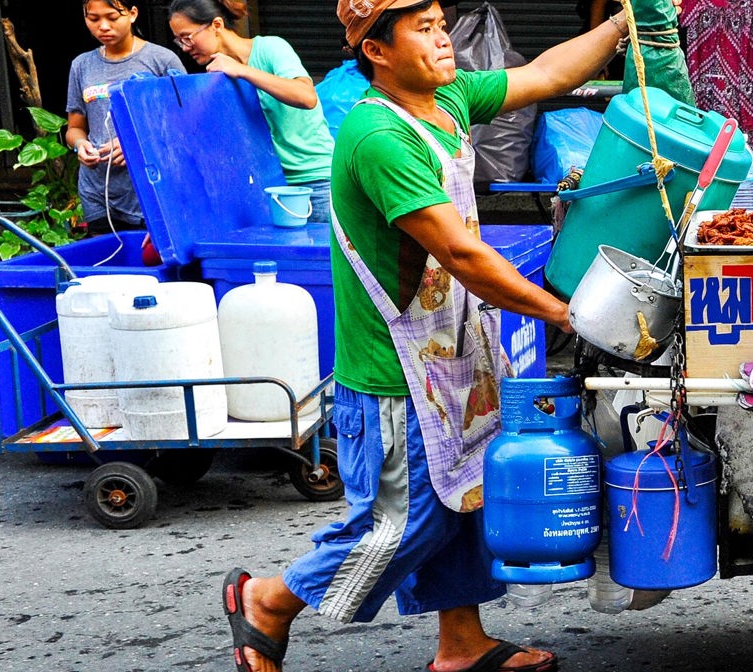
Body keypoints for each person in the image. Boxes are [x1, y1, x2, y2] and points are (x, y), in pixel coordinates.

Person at [217, 1, 626, 670]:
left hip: (455, 351)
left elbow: (547, 74)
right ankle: (267, 599)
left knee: (465, 497)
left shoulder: (450, 98)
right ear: (376, 51)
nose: (444, 39)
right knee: (404, 522)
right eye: (424, 29)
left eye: (441, 23)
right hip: (394, 369)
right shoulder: (380, 136)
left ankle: (460, 646)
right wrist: (564, 311)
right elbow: (462, 255)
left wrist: (619, 27)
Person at [168, 0, 338, 222]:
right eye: (179, 41)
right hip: (268, 188)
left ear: (216, 25)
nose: (185, 48)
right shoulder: (217, 76)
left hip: (316, 182)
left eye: (188, 37)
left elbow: (306, 97)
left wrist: (242, 71)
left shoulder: (270, 48)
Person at [65, 0, 186, 231]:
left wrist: (136, 142)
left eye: (112, 17)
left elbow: (184, 124)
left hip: (149, 188)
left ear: (132, 14)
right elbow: (75, 127)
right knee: (108, 261)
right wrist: (80, 145)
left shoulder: (162, 60)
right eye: (93, 19)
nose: (103, 26)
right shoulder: (81, 65)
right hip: (97, 190)